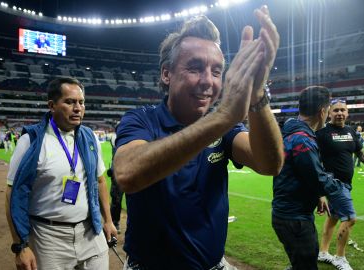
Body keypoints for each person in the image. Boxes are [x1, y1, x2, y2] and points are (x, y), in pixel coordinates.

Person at [113, 7, 284, 269]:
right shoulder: (141, 119)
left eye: (217, 72)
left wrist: (257, 94)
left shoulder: (223, 128)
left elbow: (270, 164)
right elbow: (127, 174)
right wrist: (224, 116)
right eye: (195, 68)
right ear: (166, 74)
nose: (208, 81)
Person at [5, 77, 117, 270]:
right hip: (48, 238)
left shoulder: (89, 137)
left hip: (91, 231)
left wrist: (108, 221)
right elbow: (12, 194)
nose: (78, 108)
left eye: (81, 102)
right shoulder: (31, 141)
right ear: (52, 105)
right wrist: (20, 246)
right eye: (69, 102)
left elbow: (100, 181)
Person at [272, 86, 349, 270]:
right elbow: (317, 178)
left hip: (289, 213)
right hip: (294, 218)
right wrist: (341, 190)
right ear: (323, 112)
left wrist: (318, 195)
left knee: (300, 263)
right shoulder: (302, 139)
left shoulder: (294, 131)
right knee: (306, 265)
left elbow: (303, 173)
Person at [316, 98, 364, 270]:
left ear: (347, 113)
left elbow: (361, 153)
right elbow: (314, 161)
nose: (340, 113)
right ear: (329, 113)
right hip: (333, 183)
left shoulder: (350, 131)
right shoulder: (322, 133)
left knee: (333, 218)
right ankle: (340, 257)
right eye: (336, 110)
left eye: (343, 110)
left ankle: (323, 252)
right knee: (350, 218)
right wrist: (319, 191)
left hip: (346, 183)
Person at [108, 130, 124, 234]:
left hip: (128, 171)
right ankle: (114, 222)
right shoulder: (115, 138)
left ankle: (115, 221)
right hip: (118, 173)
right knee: (116, 200)